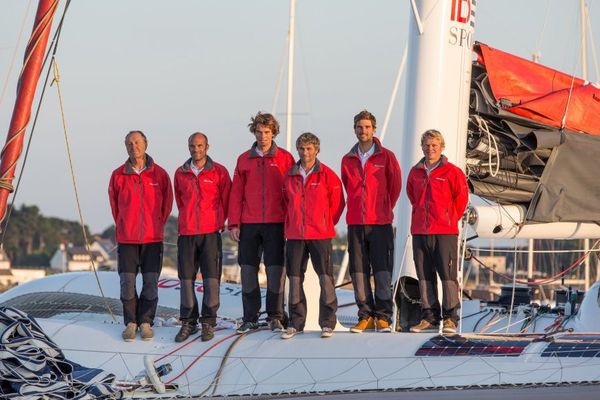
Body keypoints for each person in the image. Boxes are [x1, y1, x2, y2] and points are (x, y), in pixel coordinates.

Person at [228, 112, 295, 333]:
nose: (263, 136)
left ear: (273, 132)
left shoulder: (285, 158)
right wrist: (234, 223)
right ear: (254, 132)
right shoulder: (243, 159)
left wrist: (290, 221)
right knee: (248, 271)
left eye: (267, 132)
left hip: (276, 223)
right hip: (249, 223)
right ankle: (250, 317)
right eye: (259, 131)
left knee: (276, 272)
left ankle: (275, 316)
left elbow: (293, 193)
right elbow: (236, 193)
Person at [108, 130, 173, 342]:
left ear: (146, 144)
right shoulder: (117, 175)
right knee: (127, 283)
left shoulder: (160, 174)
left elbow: (167, 205)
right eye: (129, 143)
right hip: (127, 239)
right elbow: (115, 207)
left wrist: (155, 225)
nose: (133, 146)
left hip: (153, 239)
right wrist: (126, 225)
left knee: (150, 282)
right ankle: (130, 323)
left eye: (137, 142)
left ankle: (145, 322)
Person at [280, 132, 345, 340]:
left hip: (320, 234)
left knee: (325, 278)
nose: (305, 152)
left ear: (316, 150)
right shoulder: (289, 175)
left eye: (309, 148)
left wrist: (325, 223)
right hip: (295, 235)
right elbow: (284, 203)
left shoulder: (328, 175)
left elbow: (338, 204)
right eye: (301, 148)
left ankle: (327, 322)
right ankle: (296, 323)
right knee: (295, 278)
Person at [341, 110, 401, 333]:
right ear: (354, 129)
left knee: (382, 271)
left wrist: (384, 206)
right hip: (356, 222)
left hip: (380, 223)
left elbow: (395, 187)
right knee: (358, 271)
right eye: (359, 126)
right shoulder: (347, 159)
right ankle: (365, 315)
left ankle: (383, 316)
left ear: (373, 130)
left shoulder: (387, 157)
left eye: (366, 127)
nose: (363, 130)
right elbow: (348, 186)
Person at [407, 129, 469, 334]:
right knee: (425, 276)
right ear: (422, 147)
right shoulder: (415, 172)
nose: (430, 149)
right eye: (426, 145)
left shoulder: (453, 172)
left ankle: (451, 318)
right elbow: (412, 196)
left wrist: (448, 218)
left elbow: (460, 200)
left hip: (445, 231)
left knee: (447, 275)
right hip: (420, 231)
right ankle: (430, 318)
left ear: (441, 147)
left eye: (434, 145)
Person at [173, 132, 231, 342]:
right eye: (192, 146)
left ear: (207, 147)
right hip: (187, 232)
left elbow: (227, 198)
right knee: (186, 279)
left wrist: (218, 221)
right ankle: (189, 322)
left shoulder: (220, 172)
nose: (195, 149)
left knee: (211, 279)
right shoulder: (180, 173)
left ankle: (208, 321)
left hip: (210, 233)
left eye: (199, 146)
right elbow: (180, 201)